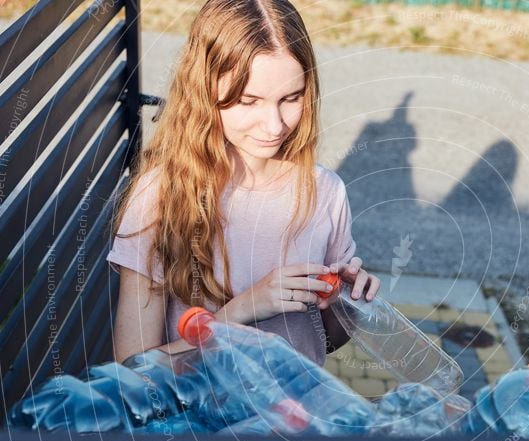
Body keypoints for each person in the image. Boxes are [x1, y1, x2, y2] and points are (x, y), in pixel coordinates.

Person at [106, 0, 380, 365]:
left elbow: (327, 342)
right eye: (248, 101)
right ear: (204, 92)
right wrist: (240, 311)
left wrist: (345, 303)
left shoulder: (325, 192)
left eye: (291, 98)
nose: (275, 125)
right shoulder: (159, 196)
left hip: (294, 419)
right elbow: (133, 371)